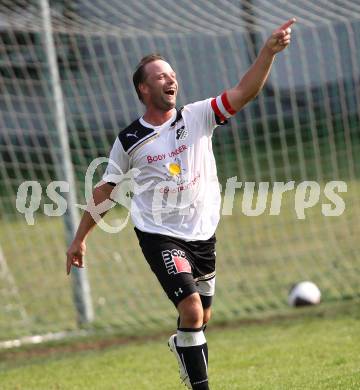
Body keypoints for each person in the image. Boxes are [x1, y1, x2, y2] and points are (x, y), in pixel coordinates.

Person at [66, 18, 295, 390]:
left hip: (202, 231)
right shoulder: (130, 140)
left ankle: (181, 344)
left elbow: (244, 91)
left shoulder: (198, 116)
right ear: (143, 88)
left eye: (171, 74)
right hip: (159, 234)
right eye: (160, 76)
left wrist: (268, 52)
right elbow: (105, 192)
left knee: (202, 316)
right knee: (190, 308)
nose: (170, 80)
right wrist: (80, 239)